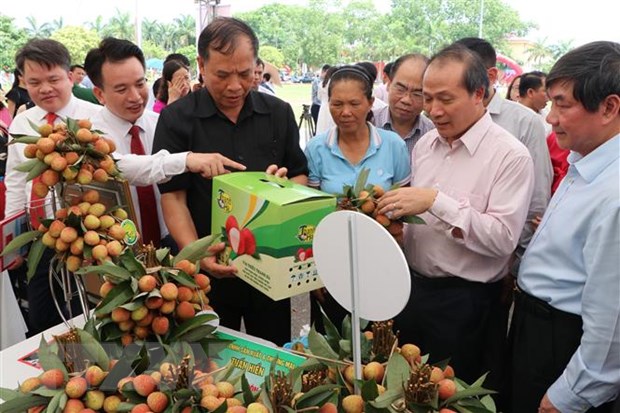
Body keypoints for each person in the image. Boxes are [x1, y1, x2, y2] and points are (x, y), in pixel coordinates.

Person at [376, 44, 534, 385]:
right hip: (413, 291)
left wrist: (436, 201)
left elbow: (503, 239)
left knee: (455, 394)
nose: (433, 110)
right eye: (428, 98)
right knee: (405, 390)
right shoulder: (426, 146)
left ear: (479, 94)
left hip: (466, 305)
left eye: (445, 99)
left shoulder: (510, 156)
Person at [152, 17, 308, 346]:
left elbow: (298, 173)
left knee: (273, 350)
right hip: (208, 269)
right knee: (210, 357)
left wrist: (286, 190)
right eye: (222, 75)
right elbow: (173, 198)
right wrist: (197, 255)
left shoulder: (278, 113)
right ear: (201, 66)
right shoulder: (176, 119)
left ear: (257, 65)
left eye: (245, 74)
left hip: (268, 267)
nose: (235, 86)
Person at [508, 41, 620, 413]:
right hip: (536, 331)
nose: (551, 117)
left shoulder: (614, 193)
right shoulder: (583, 163)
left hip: (563, 345)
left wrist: (571, 393)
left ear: (609, 107)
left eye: (562, 104)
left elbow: (610, 319)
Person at [5, 39, 101, 334]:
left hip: (89, 236)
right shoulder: (22, 124)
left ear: (70, 76)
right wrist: (13, 240)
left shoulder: (94, 117)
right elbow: (16, 181)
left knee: (89, 313)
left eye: (53, 79)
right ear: (24, 81)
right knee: (43, 316)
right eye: (35, 82)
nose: (45, 89)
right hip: (42, 236)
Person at [305, 65, 411, 331]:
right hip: (332, 264)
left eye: (354, 103)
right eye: (336, 104)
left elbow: (404, 207)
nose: (345, 112)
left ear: (371, 103)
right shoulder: (317, 148)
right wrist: (314, 272)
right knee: (332, 337)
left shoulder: (393, 145)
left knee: (378, 340)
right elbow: (310, 213)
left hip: (381, 263)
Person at [372, 54, 435, 158]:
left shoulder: (433, 135)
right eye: (400, 89)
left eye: (417, 94)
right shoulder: (367, 123)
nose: (406, 100)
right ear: (389, 85)